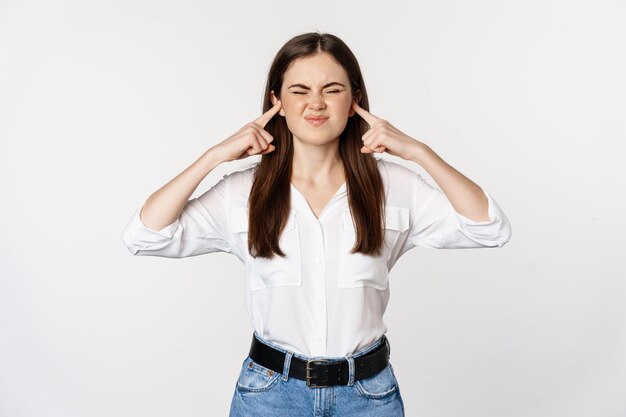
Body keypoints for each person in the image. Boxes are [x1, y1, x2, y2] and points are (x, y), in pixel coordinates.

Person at [122, 31, 511, 417]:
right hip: (269, 397)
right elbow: (144, 236)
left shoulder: (394, 186)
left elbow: (489, 227)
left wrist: (420, 153)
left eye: (333, 89)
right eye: (299, 90)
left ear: (355, 99)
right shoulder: (242, 191)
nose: (316, 104)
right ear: (276, 100)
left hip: (368, 397)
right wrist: (212, 157)